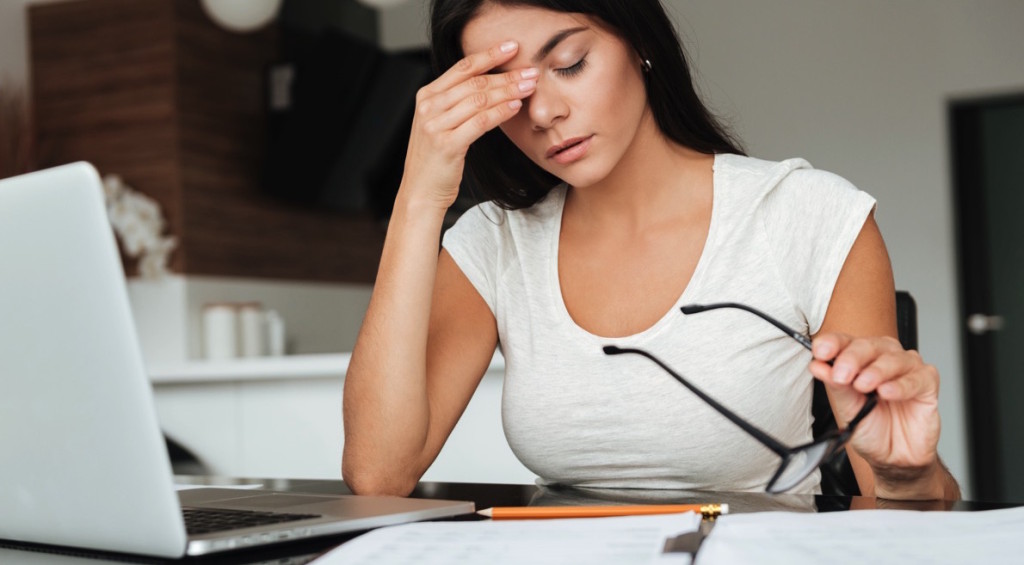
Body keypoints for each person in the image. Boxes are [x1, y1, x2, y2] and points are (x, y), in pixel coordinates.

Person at [342, 0, 961, 500]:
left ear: (639, 42)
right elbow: (378, 476)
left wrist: (908, 476)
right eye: (508, 90)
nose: (546, 112)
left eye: (570, 63)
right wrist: (418, 197)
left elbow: (894, 509)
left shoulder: (807, 214)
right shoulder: (493, 243)